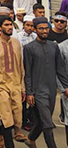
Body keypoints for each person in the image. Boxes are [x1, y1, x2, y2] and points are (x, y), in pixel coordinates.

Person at [24, 17, 68, 148]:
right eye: (41, 28)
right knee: (48, 123)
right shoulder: (29, 48)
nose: (44, 31)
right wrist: (29, 92)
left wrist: (66, 87)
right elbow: (27, 72)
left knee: (41, 121)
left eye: (46, 28)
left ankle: (31, 139)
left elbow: (60, 69)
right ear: (35, 30)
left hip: (52, 90)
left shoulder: (54, 46)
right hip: (38, 92)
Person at [0, 15, 27, 148]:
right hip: (1, 84)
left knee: (17, 115)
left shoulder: (16, 43)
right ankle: (9, 145)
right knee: (6, 116)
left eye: (10, 25)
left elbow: (20, 67)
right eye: (6, 25)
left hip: (15, 83)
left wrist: (22, 87)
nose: (10, 27)